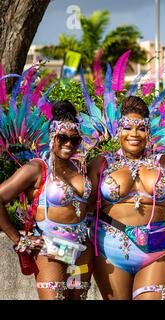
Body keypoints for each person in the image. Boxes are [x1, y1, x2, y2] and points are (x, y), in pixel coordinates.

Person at [88, 96, 165, 300]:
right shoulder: (101, 163)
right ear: (118, 130)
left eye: (140, 128)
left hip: (158, 248)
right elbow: (80, 204)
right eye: (127, 128)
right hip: (111, 250)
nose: (134, 134)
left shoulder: (164, 163)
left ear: (148, 131)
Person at [0, 101, 93, 300]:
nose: (69, 144)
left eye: (74, 140)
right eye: (63, 138)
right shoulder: (36, 168)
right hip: (50, 249)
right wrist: (19, 239)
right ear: (52, 137)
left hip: (81, 252)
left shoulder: (81, 170)